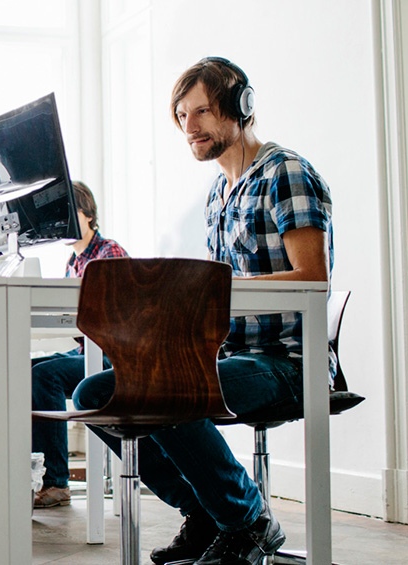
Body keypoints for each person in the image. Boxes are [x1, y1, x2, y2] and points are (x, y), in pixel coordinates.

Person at [72, 57, 333, 565]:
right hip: (231, 355)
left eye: (203, 112)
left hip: (288, 363)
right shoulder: (218, 194)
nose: (189, 127)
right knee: (95, 392)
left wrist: (222, 288)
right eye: (181, 115)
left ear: (241, 109)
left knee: (167, 389)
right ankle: (210, 513)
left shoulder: (286, 174)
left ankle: (246, 518)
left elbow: (314, 280)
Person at [31, 181, 127, 509]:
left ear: (88, 215)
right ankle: (37, 473)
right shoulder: (74, 263)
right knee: (29, 369)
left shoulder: (107, 252)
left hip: (114, 355)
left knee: (43, 376)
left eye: (70, 214)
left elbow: (116, 316)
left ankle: (56, 481)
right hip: (90, 349)